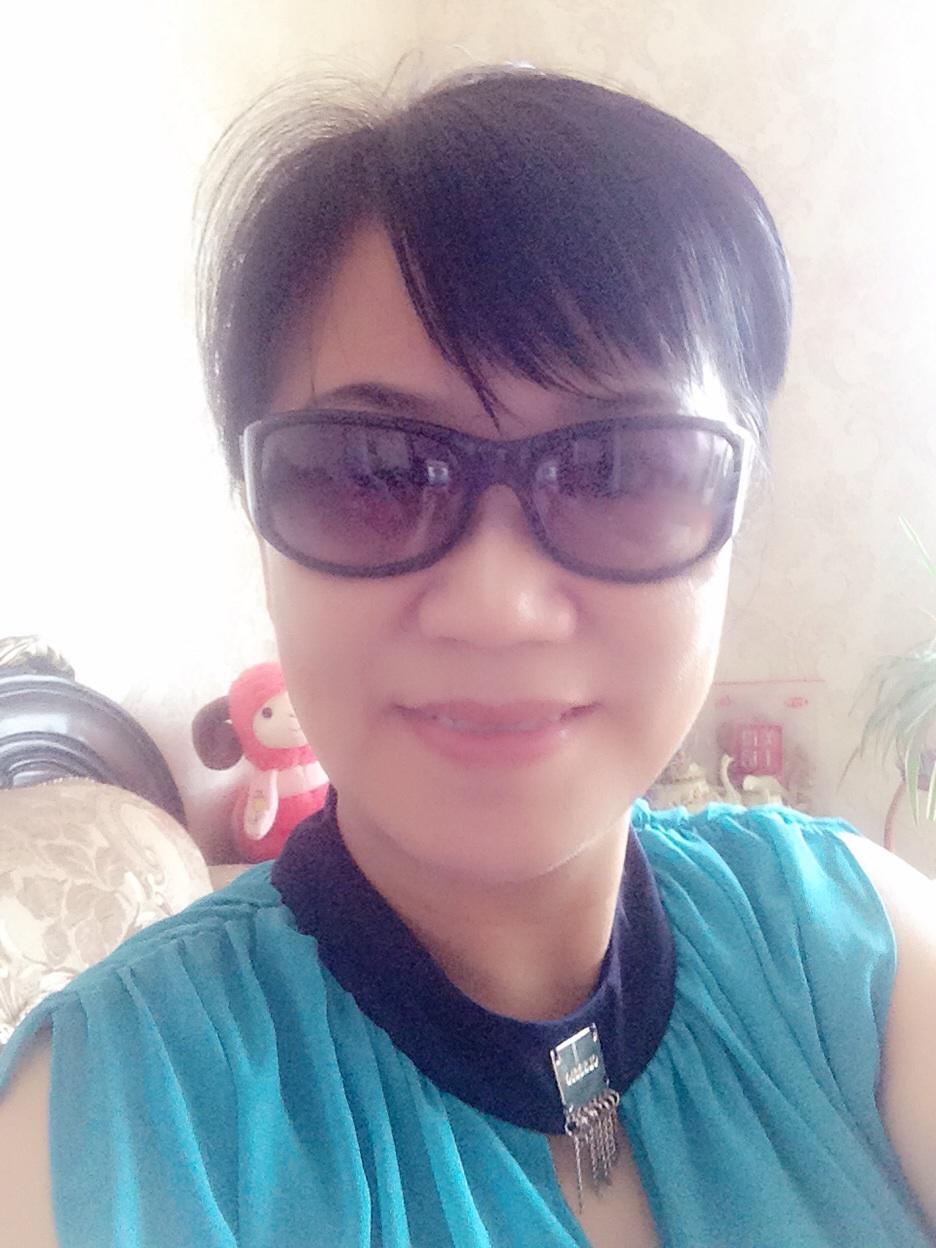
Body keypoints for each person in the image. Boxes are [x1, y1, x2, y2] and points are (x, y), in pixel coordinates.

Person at [1, 64, 934, 1248]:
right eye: (374, 471)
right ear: (260, 519)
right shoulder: (117, 1125)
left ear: (735, 508)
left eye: (617, 470)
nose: (499, 607)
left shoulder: (849, 948)